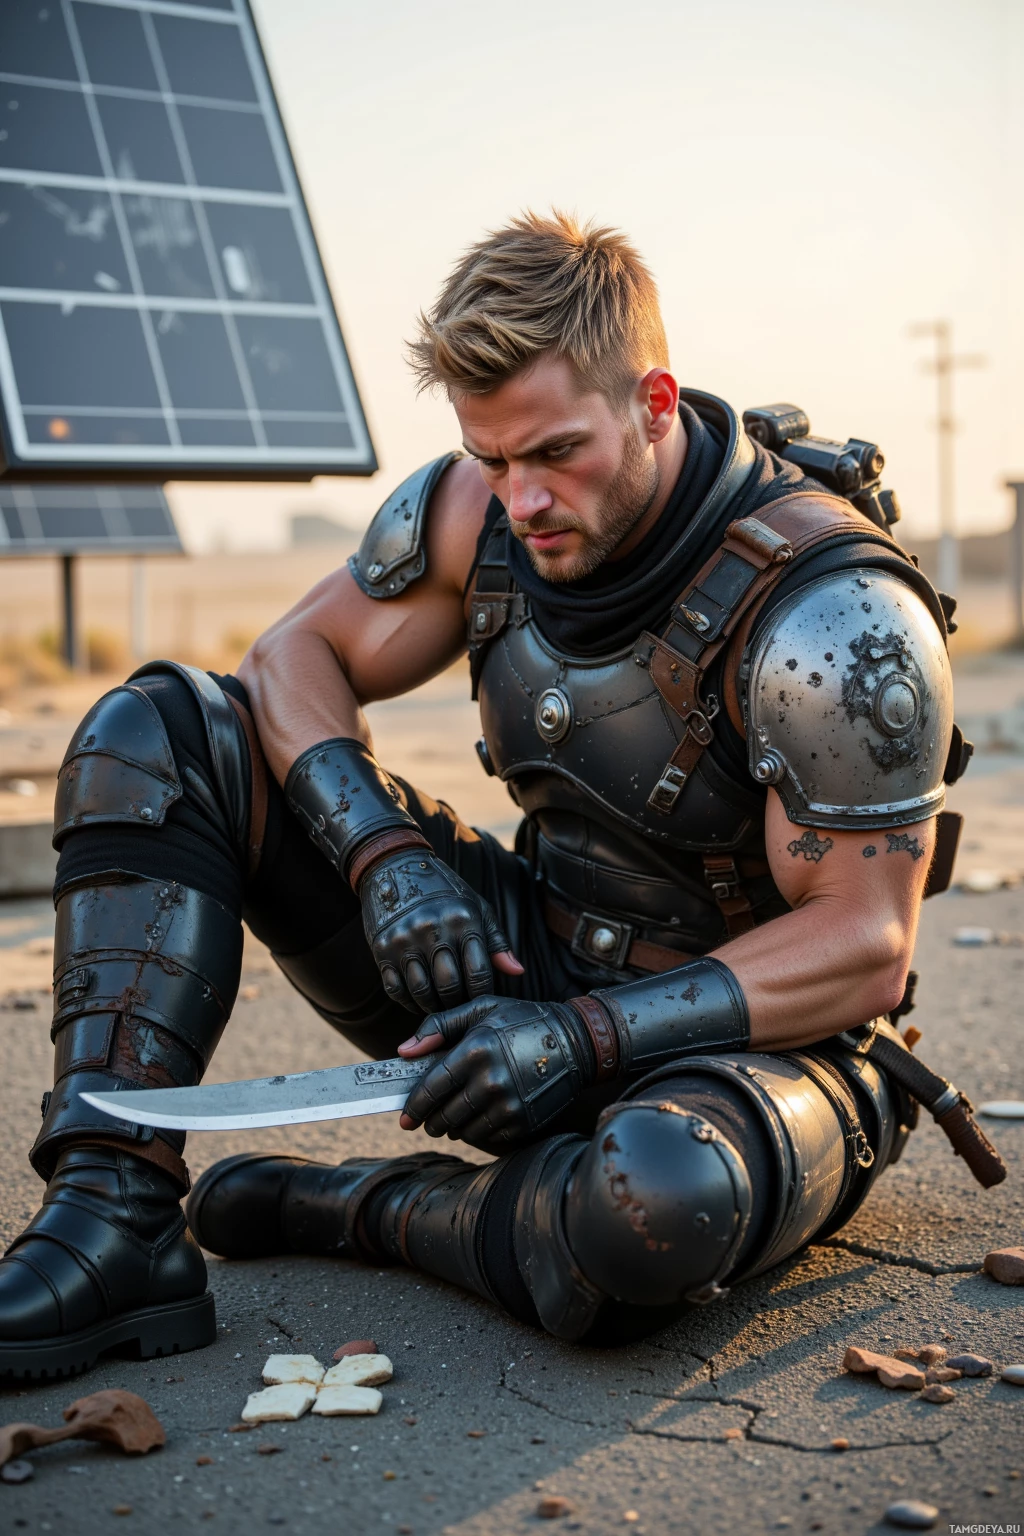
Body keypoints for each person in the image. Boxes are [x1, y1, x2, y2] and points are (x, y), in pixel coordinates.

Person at [0, 212, 965, 1378]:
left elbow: (864, 944)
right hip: (515, 971)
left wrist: (582, 1036)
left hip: (754, 1046)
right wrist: (383, 859)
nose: (522, 497)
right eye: (492, 457)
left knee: (651, 1206)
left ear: (654, 402)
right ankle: (110, 1218)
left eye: (556, 451)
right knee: (154, 728)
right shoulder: (479, 504)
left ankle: (355, 1206)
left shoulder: (835, 616)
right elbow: (284, 663)